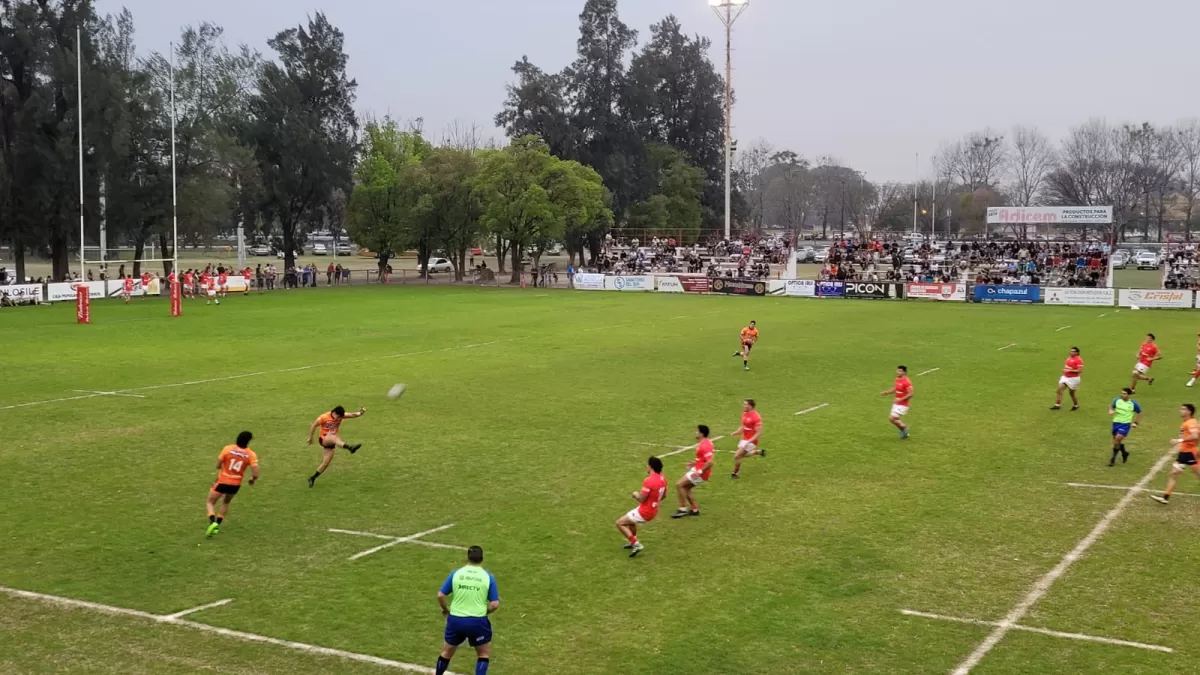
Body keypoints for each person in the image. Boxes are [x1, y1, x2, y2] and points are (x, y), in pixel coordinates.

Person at [435, 546, 499, 675]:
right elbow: (494, 604)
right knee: (483, 654)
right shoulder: (488, 577)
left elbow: (440, 595)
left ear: (467, 558)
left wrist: (446, 610)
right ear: (482, 559)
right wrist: (483, 612)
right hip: (477, 621)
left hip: (456, 619)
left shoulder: (456, 574)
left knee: (447, 652)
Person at [205, 431, 259, 537]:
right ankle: (218, 524)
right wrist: (252, 479)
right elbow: (256, 473)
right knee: (225, 503)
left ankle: (212, 522)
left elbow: (218, 466)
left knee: (210, 502)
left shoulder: (227, 449)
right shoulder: (251, 454)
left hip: (223, 480)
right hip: (235, 484)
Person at [615, 456, 667, 557]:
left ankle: (636, 544)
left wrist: (635, 494)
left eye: (648, 465)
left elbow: (642, 499)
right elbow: (664, 495)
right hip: (653, 510)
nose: (646, 466)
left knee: (620, 523)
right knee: (630, 522)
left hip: (645, 512)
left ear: (651, 467)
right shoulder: (663, 478)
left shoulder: (649, 481)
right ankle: (632, 542)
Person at [1151, 404, 1200, 505]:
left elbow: (1195, 436)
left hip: (1190, 453)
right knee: (1174, 473)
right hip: (1183, 453)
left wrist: (1179, 440)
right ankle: (1165, 497)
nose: (1181, 410)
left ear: (1189, 412)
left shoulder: (1191, 422)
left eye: (1183, 409)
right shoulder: (1187, 423)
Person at [307, 405, 365, 487]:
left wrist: (361, 412)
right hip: (324, 439)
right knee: (334, 437)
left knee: (325, 463)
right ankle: (350, 447)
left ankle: (312, 478)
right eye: (338, 417)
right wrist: (310, 438)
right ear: (333, 412)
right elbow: (313, 425)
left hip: (332, 442)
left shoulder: (340, 416)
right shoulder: (323, 417)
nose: (338, 419)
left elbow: (353, 415)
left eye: (340, 418)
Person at [672, 425, 714, 518]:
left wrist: (699, 471)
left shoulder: (705, 445)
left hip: (700, 473)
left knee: (679, 485)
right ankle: (694, 510)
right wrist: (694, 463)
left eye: (697, 431)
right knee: (686, 488)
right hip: (698, 469)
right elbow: (703, 459)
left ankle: (682, 509)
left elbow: (710, 462)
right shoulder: (705, 442)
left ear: (701, 433)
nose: (696, 433)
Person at [730, 399, 765, 478]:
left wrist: (749, 441)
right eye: (744, 404)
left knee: (737, 456)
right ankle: (758, 452)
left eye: (745, 404)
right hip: (744, 439)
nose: (744, 406)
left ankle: (735, 473)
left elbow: (758, 433)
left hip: (752, 441)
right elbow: (744, 426)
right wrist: (737, 432)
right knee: (744, 455)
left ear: (750, 406)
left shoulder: (756, 417)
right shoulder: (744, 413)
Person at [1108, 388, 1142, 467]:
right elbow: (1111, 406)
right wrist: (1110, 410)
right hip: (1116, 423)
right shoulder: (1117, 400)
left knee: (1117, 439)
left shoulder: (1133, 403)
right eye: (1121, 393)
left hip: (1125, 424)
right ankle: (1124, 453)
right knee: (1116, 442)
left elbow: (1140, 413)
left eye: (1124, 394)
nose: (1122, 395)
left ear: (1129, 395)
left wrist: (1135, 423)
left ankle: (1112, 459)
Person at [881, 365, 913, 439]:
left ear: (904, 372)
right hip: (896, 403)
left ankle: (904, 428)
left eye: (900, 371)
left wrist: (900, 399)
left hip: (903, 405)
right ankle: (904, 432)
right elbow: (896, 388)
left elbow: (911, 394)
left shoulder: (907, 382)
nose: (898, 372)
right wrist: (887, 392)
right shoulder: (897, 379)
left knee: (891, 418)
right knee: (894, 420)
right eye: (897, 370)